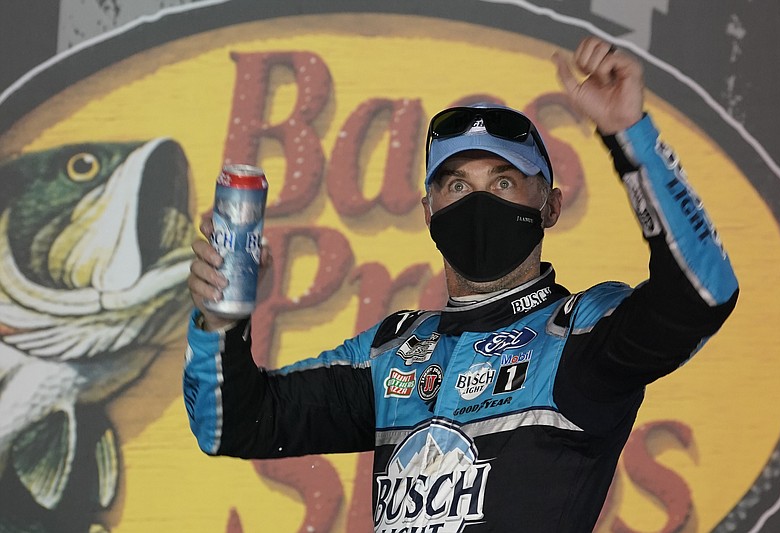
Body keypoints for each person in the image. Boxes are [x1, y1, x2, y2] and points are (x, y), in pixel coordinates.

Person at [183, 37, 738, 532]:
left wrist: (629, 137)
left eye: (502, 181)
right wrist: (221, 322)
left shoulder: (581, 337)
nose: (478, 202)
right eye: (456, 185)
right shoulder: (389, 354)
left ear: (550, 204)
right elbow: (231, 424)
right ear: (428, 211)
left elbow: (702, 292)